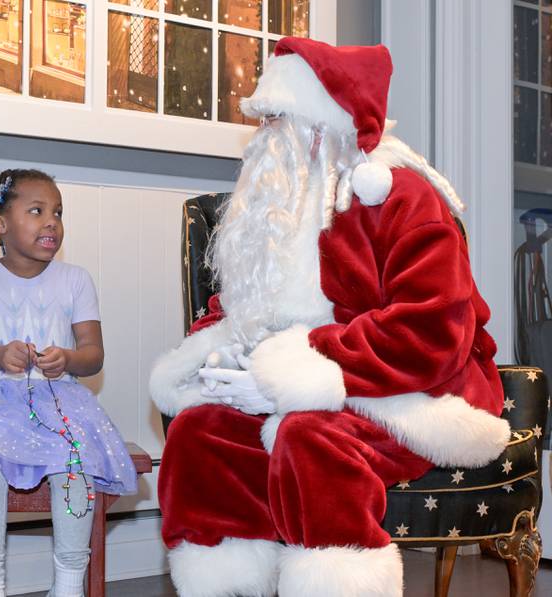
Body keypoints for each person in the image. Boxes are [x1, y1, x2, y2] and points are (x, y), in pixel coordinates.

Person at [149, 37, 509, 597]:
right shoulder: (276, 207)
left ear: (322, 128)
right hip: (306, 378)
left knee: (307, 434)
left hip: (409, 392)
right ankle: (231, 585)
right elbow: (240, 308)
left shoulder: (402, 199)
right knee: (201, 431)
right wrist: (220, 364)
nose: (263, 140)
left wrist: (290, 380)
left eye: (277, 123)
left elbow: (431, 331)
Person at [0, 169, 137, 597]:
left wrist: (67, 358)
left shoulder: (75, 280)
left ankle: (69, 582)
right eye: (36, 211)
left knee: (75, 460)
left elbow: (93, 356)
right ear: (0, 224)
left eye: (57, 212)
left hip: (58, 398)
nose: (51, 221)